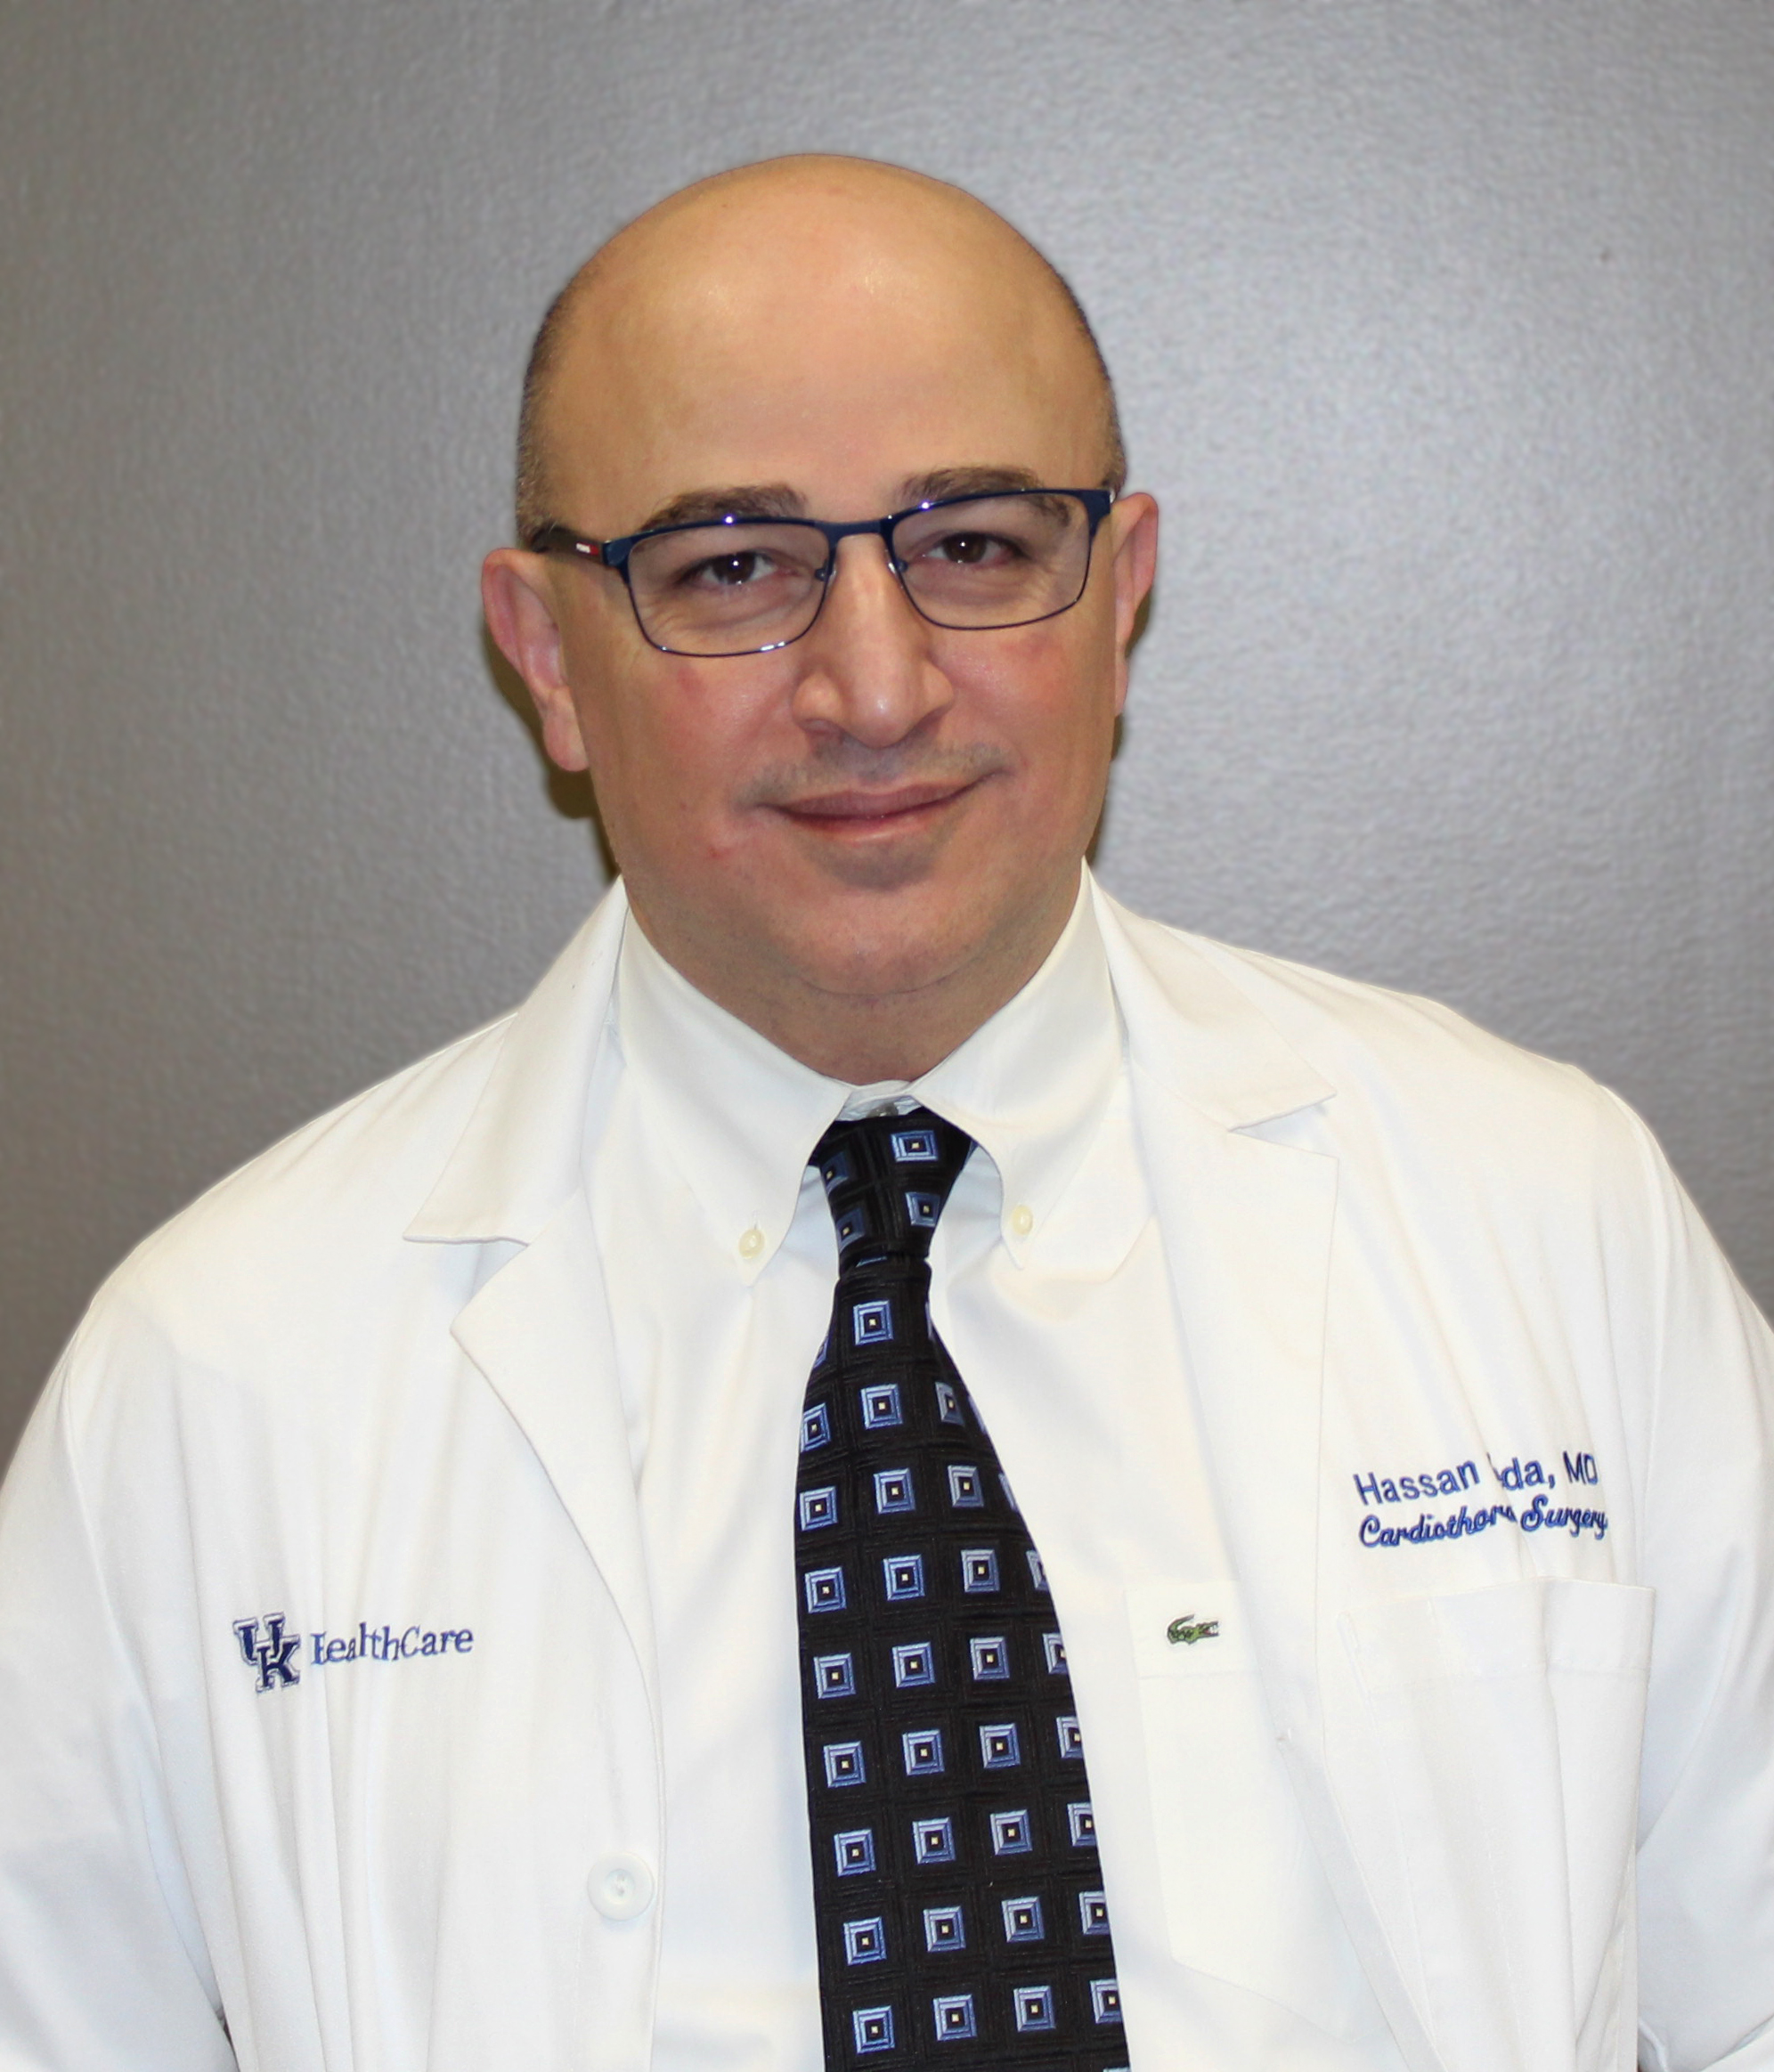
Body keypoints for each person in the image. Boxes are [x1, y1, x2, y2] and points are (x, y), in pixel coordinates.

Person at [0, 154, 1769, 2072]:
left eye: (980, 546)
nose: (872, 684)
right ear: (546, 660)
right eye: (734, 567)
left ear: (1125, 595)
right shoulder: (215, 1380)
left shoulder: (1543, 1220)